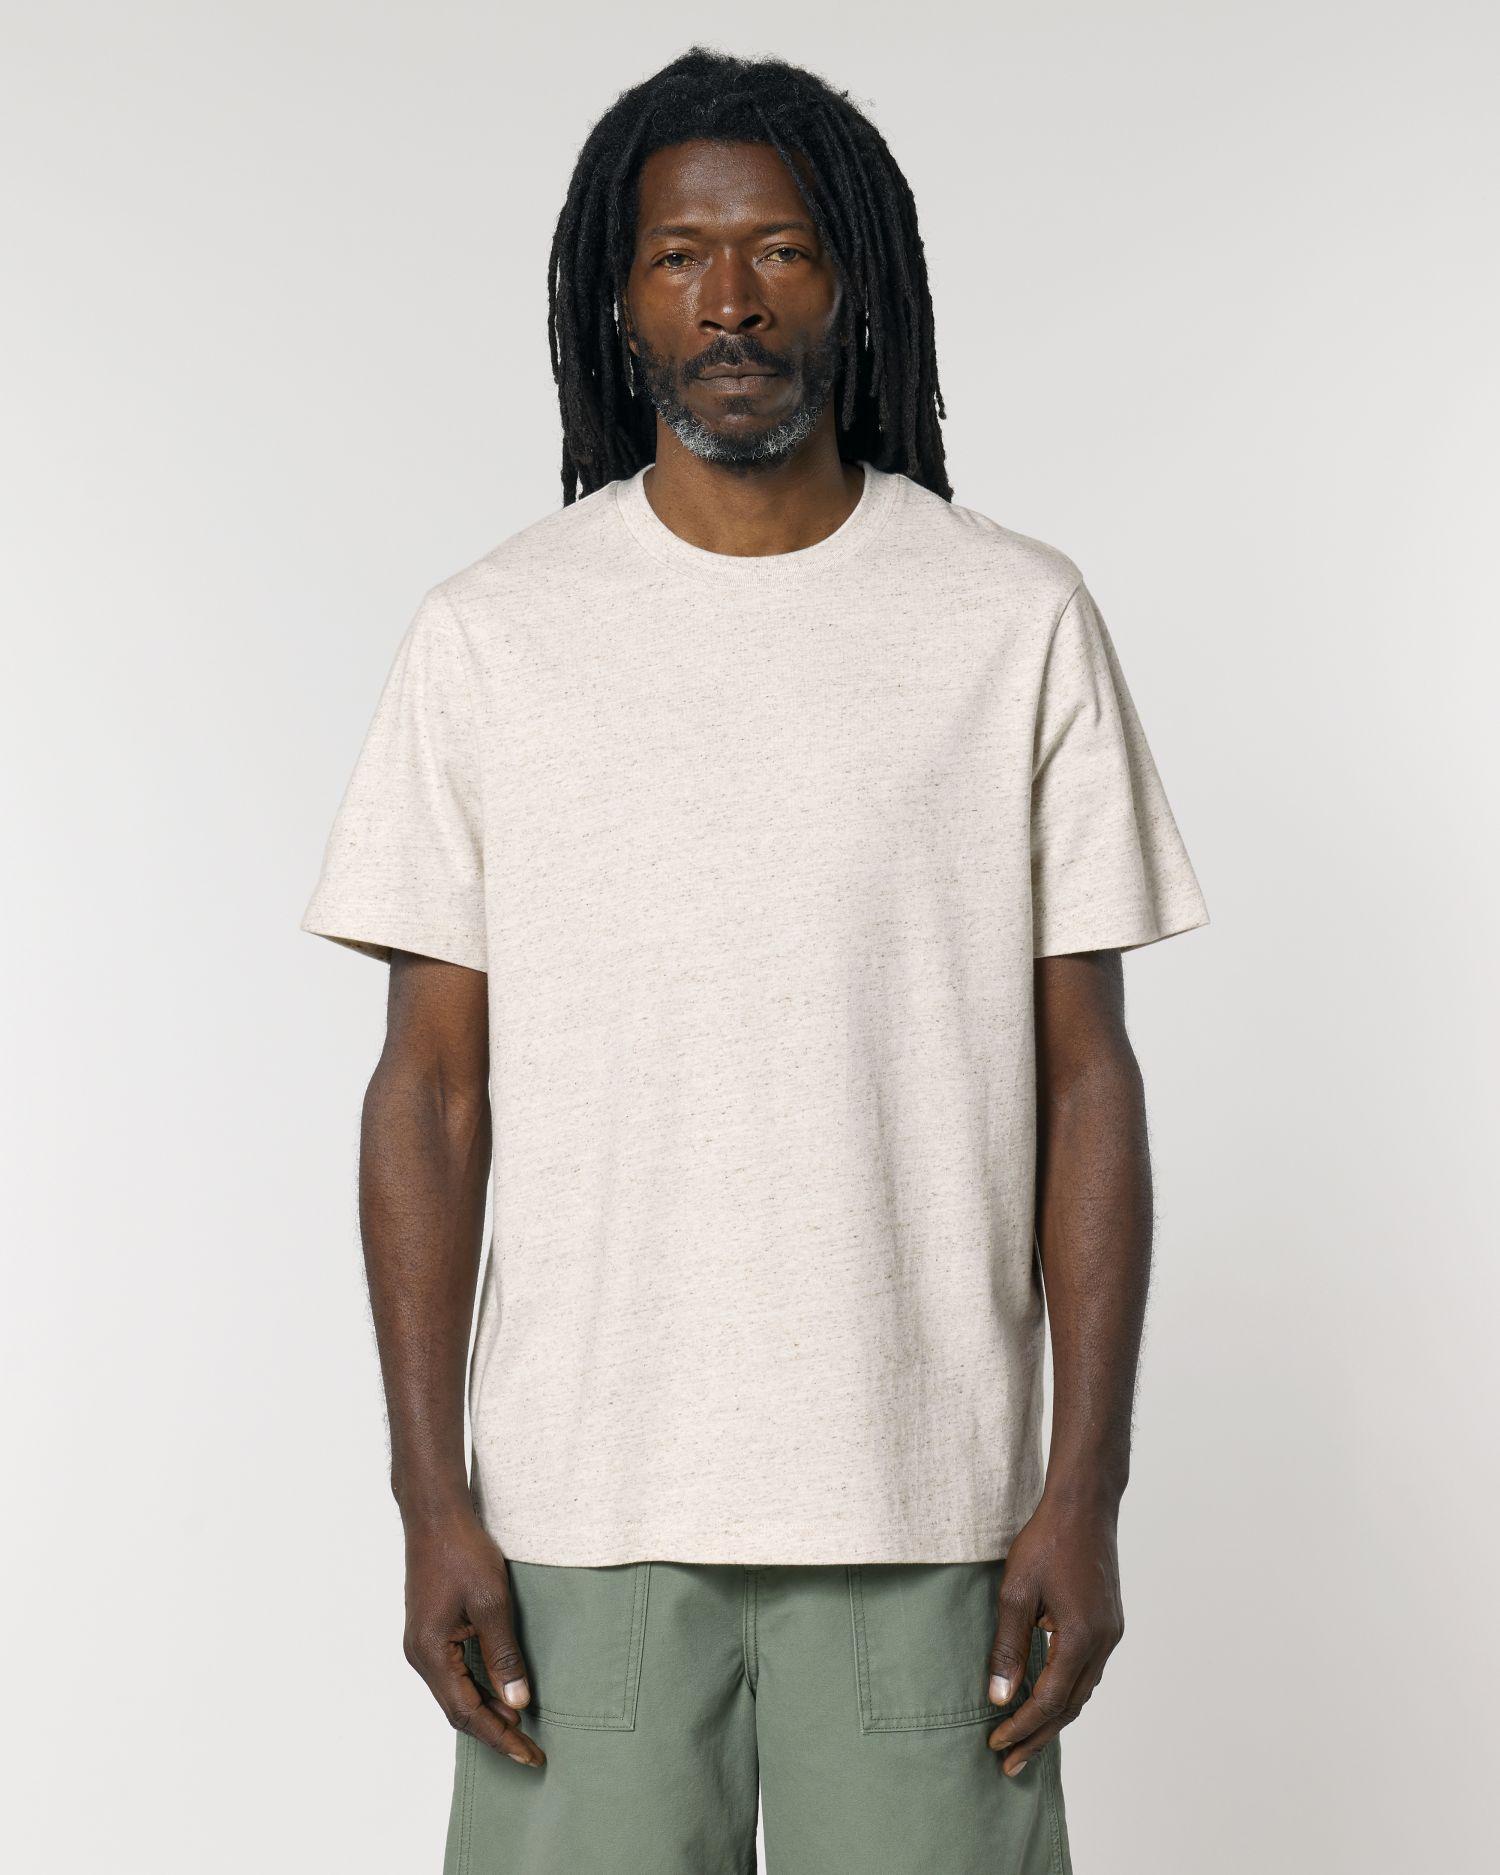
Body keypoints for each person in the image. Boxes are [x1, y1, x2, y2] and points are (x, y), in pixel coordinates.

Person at [299, 44, 1209, 1875]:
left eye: (782, 249)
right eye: (679, 256)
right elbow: (432, 1092)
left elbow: (1086, 1078)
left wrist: (1085, 1491)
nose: (731, 299)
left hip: (929, 1505)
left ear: (856, 283)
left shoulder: (1011, 617)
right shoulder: (492, 635)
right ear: (617, 298)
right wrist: (427, 1496)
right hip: (579, 1513)